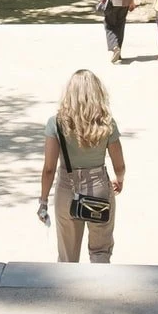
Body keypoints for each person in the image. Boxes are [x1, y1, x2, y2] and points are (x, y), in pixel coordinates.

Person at [36, 69, 125, 263]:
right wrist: (119, 179)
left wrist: (43, 200)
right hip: (99, 186)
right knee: (101, 251)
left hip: (68, 189)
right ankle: (99, 290)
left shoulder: (56, 123)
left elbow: (49, 168)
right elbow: (119, 164)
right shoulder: (107, 124)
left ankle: (67, 292)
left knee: (67, 256)